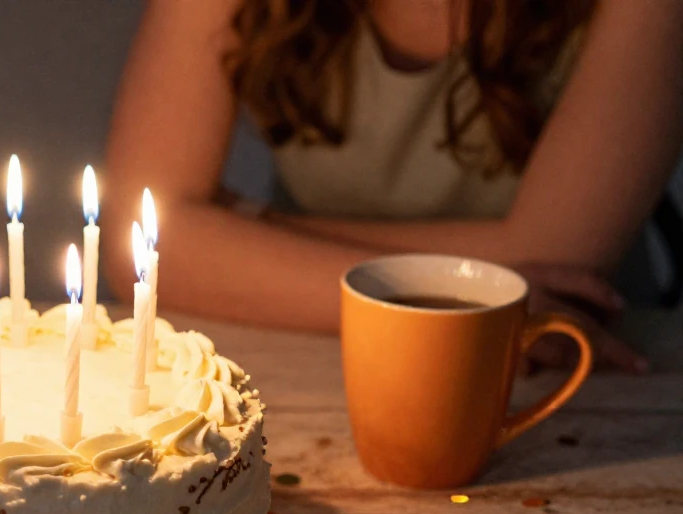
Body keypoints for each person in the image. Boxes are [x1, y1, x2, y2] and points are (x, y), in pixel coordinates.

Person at [105, 0, 683, 372]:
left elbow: (560, 267)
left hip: (564, 375)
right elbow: (137, 247)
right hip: (303, 355)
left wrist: (246, 229)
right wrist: (469, 283)